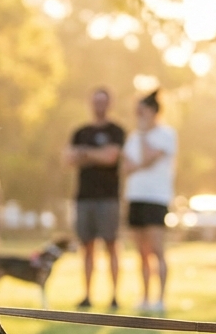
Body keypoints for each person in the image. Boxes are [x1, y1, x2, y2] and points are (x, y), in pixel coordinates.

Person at [65, 87, 125, 310]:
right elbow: (68, 158)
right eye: (95, 101)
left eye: (103, 101)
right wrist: (95, 154)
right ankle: (87, 295)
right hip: (84, 197)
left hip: (108, 197)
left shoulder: (116, 131)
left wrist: (85, 154)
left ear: (109, 104)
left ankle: (114, 296)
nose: (99, 105)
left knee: (111, 245)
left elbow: (111, 157)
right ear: (90, 104)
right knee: (87, 247)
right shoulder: (80, 131)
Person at [122, 90, 177, 314]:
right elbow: (126, 167)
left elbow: (146, 159)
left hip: (156, 198)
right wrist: (140, 161)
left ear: (153, 111)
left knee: (156, 250)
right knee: (141, 252)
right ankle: (144, 296)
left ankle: (160, 298)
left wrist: (145, 136)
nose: (139, 115)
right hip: (135, 197)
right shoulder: (133, 136)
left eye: (142, 110)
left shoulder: (166, 134)